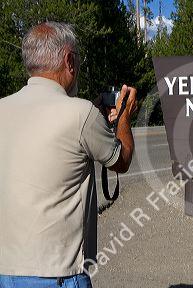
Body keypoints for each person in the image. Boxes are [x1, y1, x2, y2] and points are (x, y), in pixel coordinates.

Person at [0, 22, 137, 287]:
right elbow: (122, 160)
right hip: (57, 273)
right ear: (69, 60)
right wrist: (124, 118)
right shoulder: (81, 113)